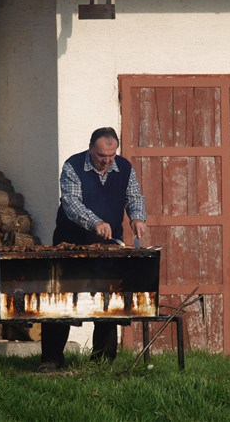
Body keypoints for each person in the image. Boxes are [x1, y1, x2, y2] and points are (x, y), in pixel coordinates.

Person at [39, 127, 147, 372]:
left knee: (107, 302)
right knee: (60, 301)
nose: (107, 161)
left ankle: (102, 361)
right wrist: (95, 222)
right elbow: (71, 203)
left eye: (111, 155)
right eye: (101, 156)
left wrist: (137, 217)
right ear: (91, 149)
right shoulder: (72, 166)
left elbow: (134, 197)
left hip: (108, 247)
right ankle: (52, 359)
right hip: (70, 244)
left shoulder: (124, 168)